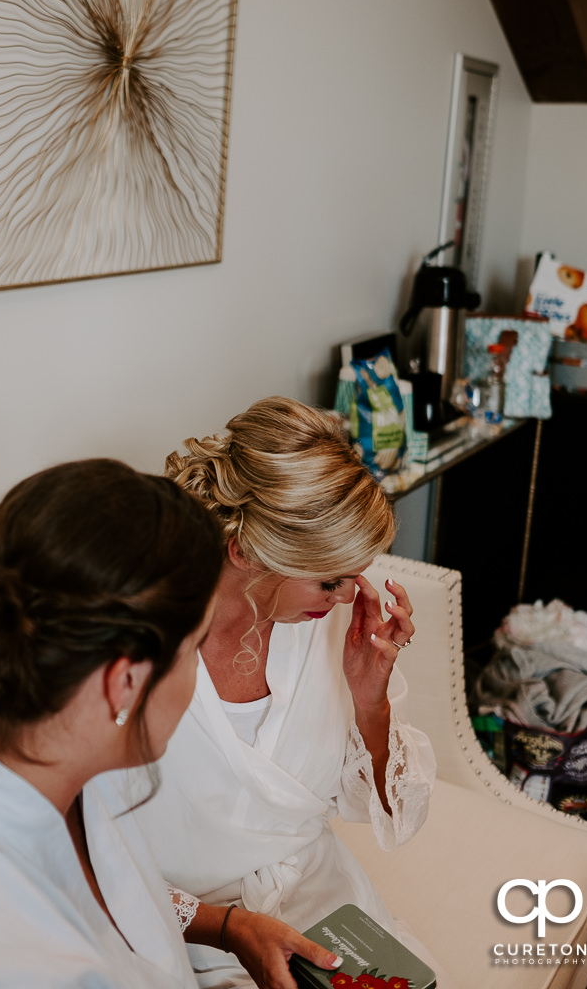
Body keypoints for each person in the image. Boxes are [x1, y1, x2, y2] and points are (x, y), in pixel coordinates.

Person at [0, 458, 345, 989]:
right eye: (193, 650)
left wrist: (231, 927)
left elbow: (117, 889)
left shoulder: (22, 731)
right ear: (125, 683)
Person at [99, 399, 438, 988]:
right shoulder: (134, 648)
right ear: (245, 550)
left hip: (323, 908)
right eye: (328, 579)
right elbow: (84, 862)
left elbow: (390, 811)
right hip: (177, 934)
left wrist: (369, 699)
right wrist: (229, 928)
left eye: (354, 575)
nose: (346, 598)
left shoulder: (332, 629)